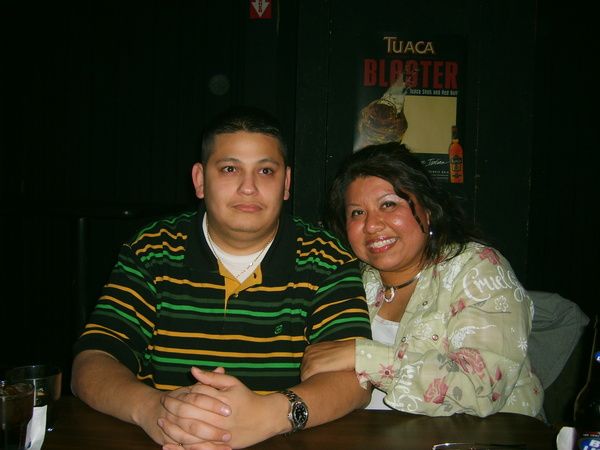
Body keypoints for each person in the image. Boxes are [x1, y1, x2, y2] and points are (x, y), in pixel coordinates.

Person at [71, 106, 372, 449]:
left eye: (265, 171)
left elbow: (356, 381)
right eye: (230, 169)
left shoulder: (327, 258)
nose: (248, 188)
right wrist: (155, 410)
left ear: (286, 183)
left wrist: (268, 415)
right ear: (200, 180)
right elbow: (93, 360)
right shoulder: (153, 250)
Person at [301, 142, 544, 419]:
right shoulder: (348, 280)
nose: (372, 225)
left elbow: (481, 389)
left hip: (477, 437)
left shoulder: (477, 269)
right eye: (357, 212)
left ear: (427, 210)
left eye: (388, 204)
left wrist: (361, 356)